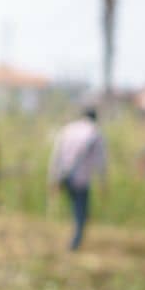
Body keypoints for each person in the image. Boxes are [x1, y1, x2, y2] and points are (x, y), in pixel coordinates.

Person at [48, 107, 107, 251]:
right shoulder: (94, 133)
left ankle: (74, 240)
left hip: (64, 175)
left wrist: (52, 179)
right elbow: (101, 161)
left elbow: (56, 155)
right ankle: (75, 243)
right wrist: (103, 182)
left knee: (75, 208)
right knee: (81, 210)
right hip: (81, 178)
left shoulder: (67, 129)